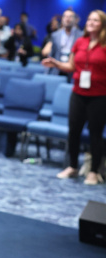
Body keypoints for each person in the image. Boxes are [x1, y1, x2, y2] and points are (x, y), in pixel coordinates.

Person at [43, 10, 106, 185]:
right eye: (89, 19)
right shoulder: (80, 42)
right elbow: (71, 65)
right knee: (74, 131)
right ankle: (72, 167)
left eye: (95, 20)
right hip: (78, 92)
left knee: (95, 134)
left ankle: (93, 172)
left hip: (99, 96)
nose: (91, 22)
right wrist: (56, 63)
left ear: (102, 24)